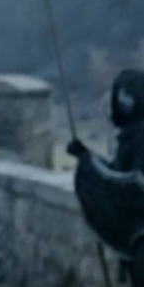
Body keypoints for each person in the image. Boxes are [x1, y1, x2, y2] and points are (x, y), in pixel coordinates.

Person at [67, 68, 144, 286]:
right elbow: (119, 175)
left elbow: (128, 188)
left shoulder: (140, 141)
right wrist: (85, 155)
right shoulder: (134, 138)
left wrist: (87, 165)